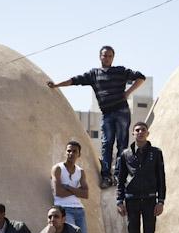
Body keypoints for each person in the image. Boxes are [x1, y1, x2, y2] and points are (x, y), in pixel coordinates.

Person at [47, 46, 145, 188]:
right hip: (107, 113)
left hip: (122, 111)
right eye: (105, 56)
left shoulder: (120, 71)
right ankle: (106, 176)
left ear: (113, 58)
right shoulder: (94, 74)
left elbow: (140, 77)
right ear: (100, 57)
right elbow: (75, 80)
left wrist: (128, 92)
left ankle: (119, 176)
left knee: (122, 144)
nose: (107, 58)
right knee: (106, 144)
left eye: (110, 56)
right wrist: (57, 85)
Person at [116, 121, 166, 233]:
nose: (140, 132)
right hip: (132, 200)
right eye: (137, 130)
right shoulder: (126, 154)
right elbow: (121, 179)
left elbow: (161, 178)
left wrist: (161, 201)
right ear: (133, 133)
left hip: (150, 200)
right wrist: (119, 200)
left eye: (143, 130)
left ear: (147, 133)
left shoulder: (156, 153)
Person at [51, 141, 90, 233]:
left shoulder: (80, 171)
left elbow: (86, 194)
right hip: (65, 209)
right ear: (65, 152)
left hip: (79, 210)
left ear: (79, 154)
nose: (71, 153)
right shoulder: (58, 168)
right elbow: (58, 192)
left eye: (74, 151)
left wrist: (68, 187)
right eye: (69, 151)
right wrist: (77, 191)